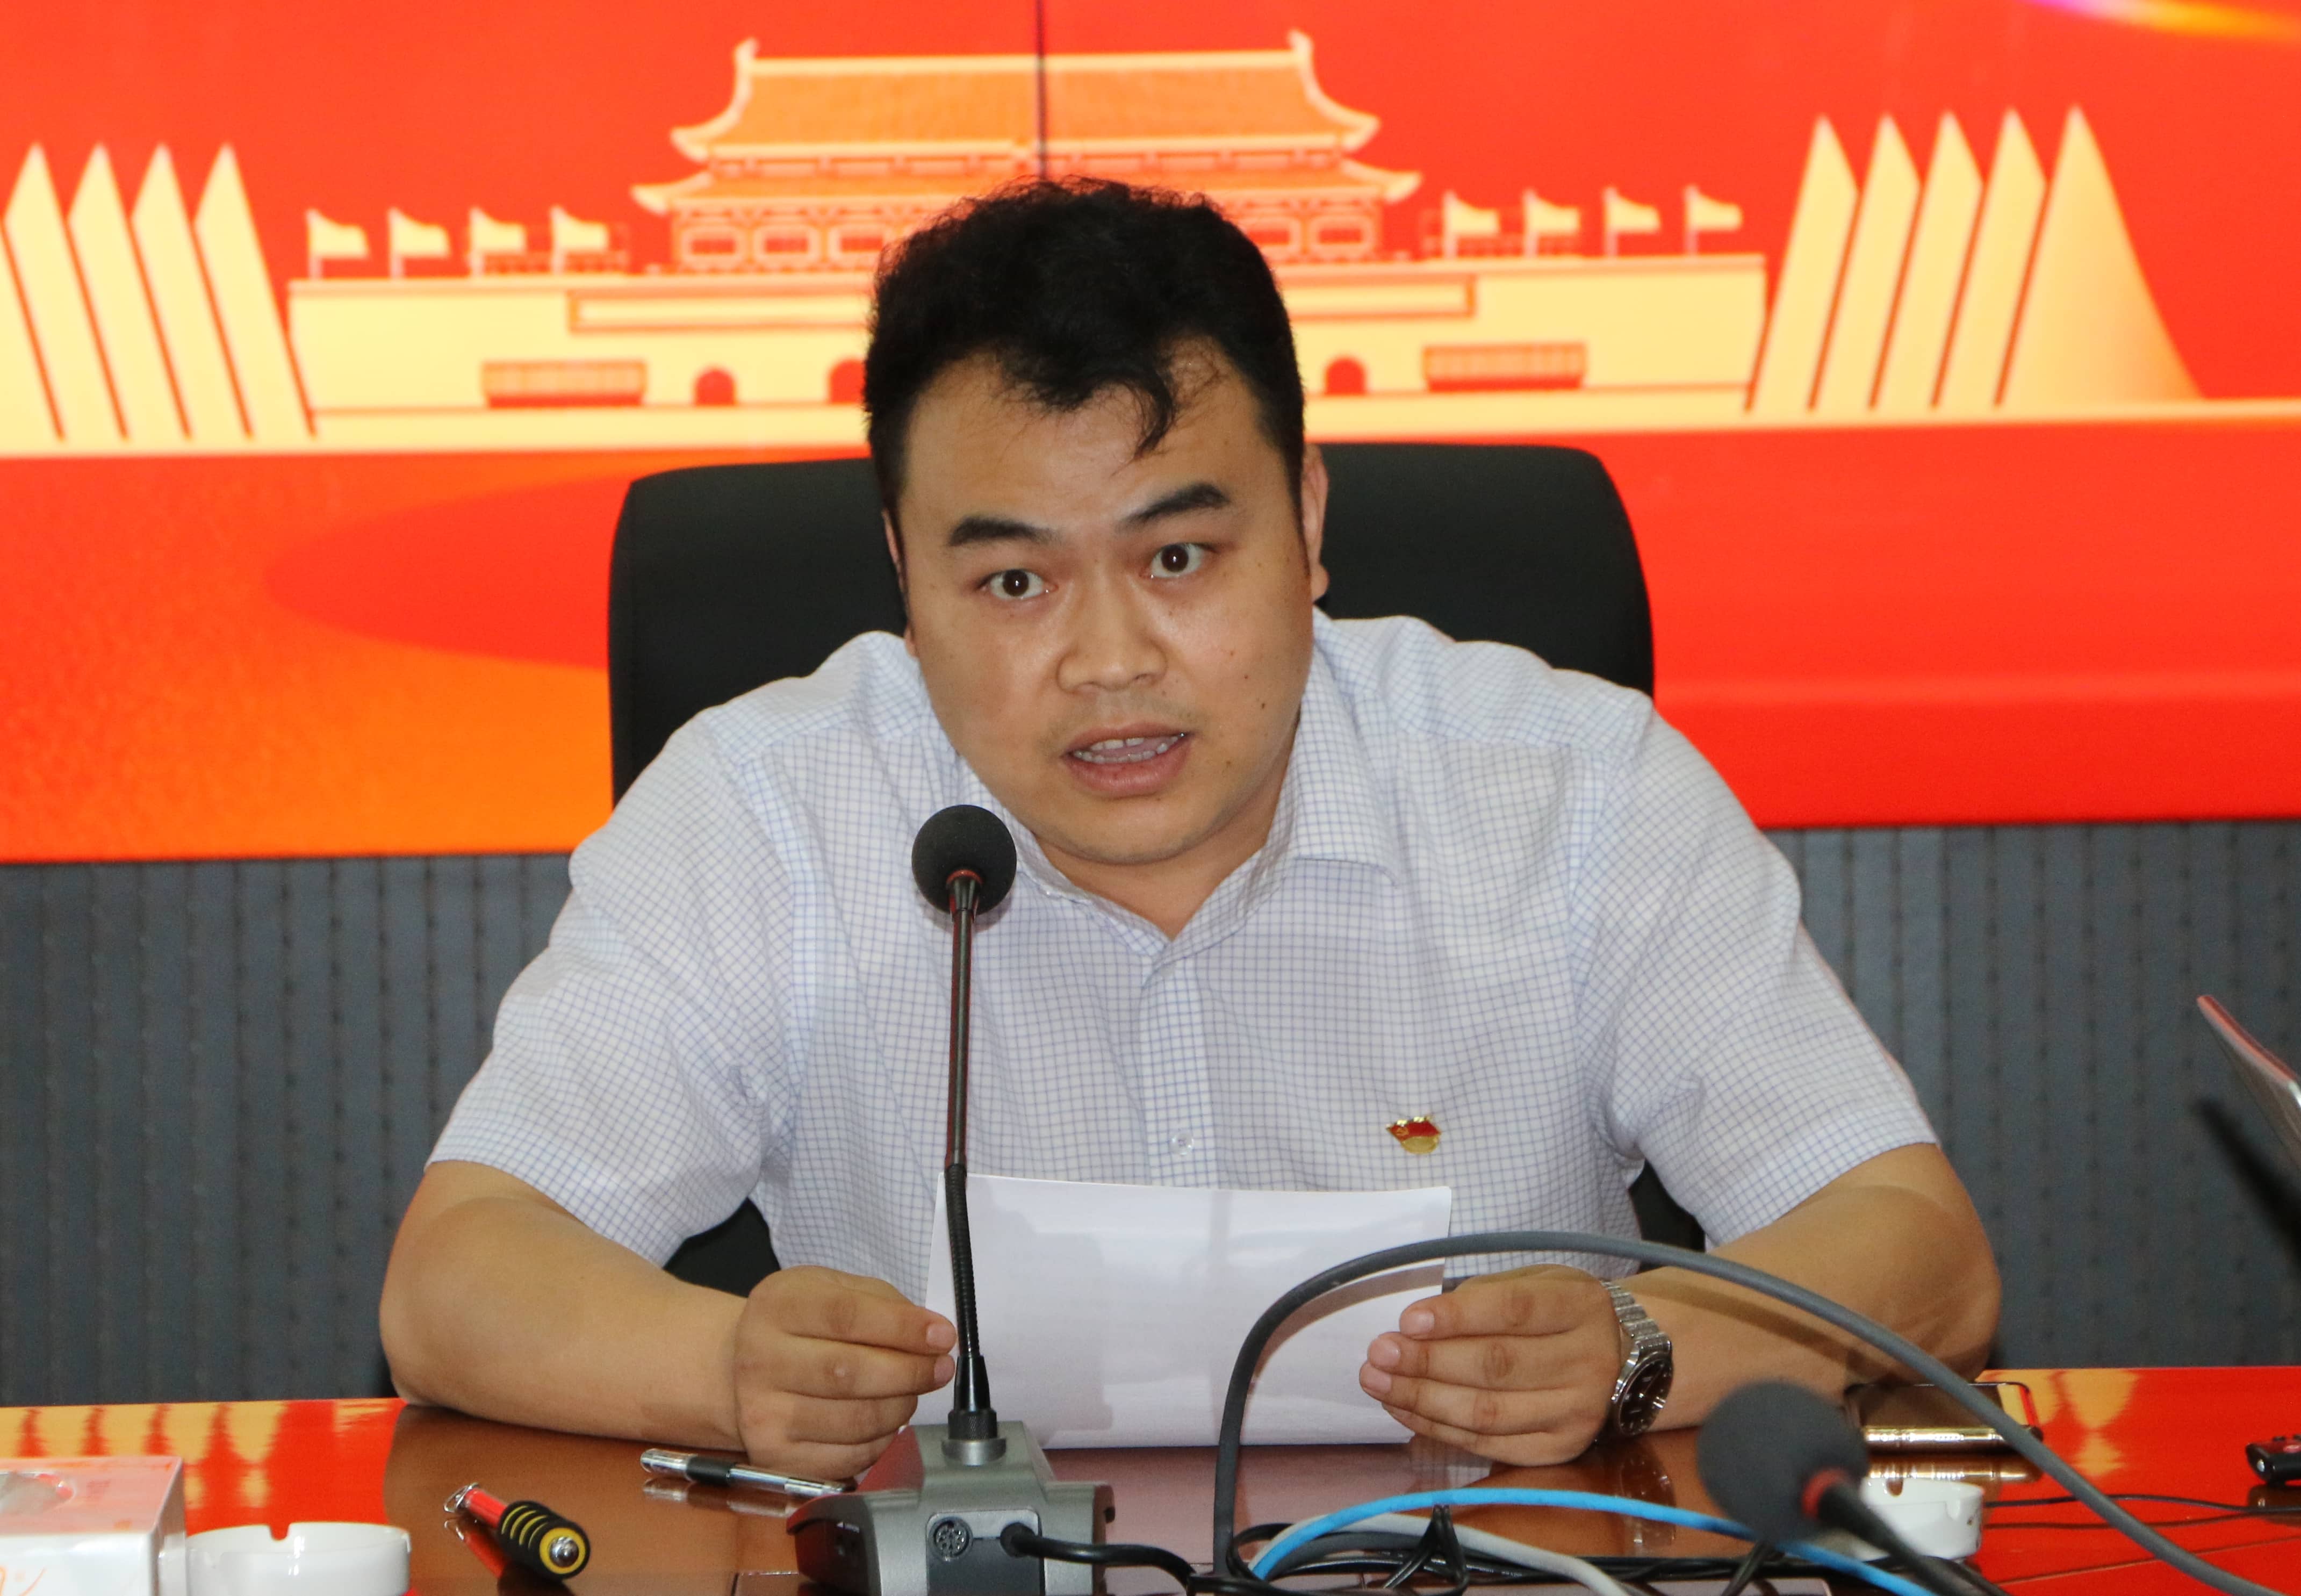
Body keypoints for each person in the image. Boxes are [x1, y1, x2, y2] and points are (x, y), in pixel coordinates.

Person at [380, 179, 1999, 1482]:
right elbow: (457, 1278)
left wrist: (1642, 1350)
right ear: (904, 575)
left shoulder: (1567, 788)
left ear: (1306, 520)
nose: (1108, 661)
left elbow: (1917, 1244)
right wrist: (727, 1365)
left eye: (1177, 559)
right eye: (1014, 580)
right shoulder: (765, 807)